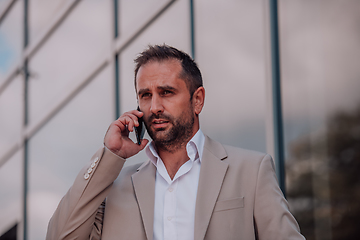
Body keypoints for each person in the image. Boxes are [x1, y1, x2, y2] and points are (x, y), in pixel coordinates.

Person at [46, 44, 305, 240]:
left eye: (166, 92)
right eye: (145, 95)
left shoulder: (251, 171)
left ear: (197, 100)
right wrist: (109, 155)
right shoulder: (113, 188)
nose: (155, 106)